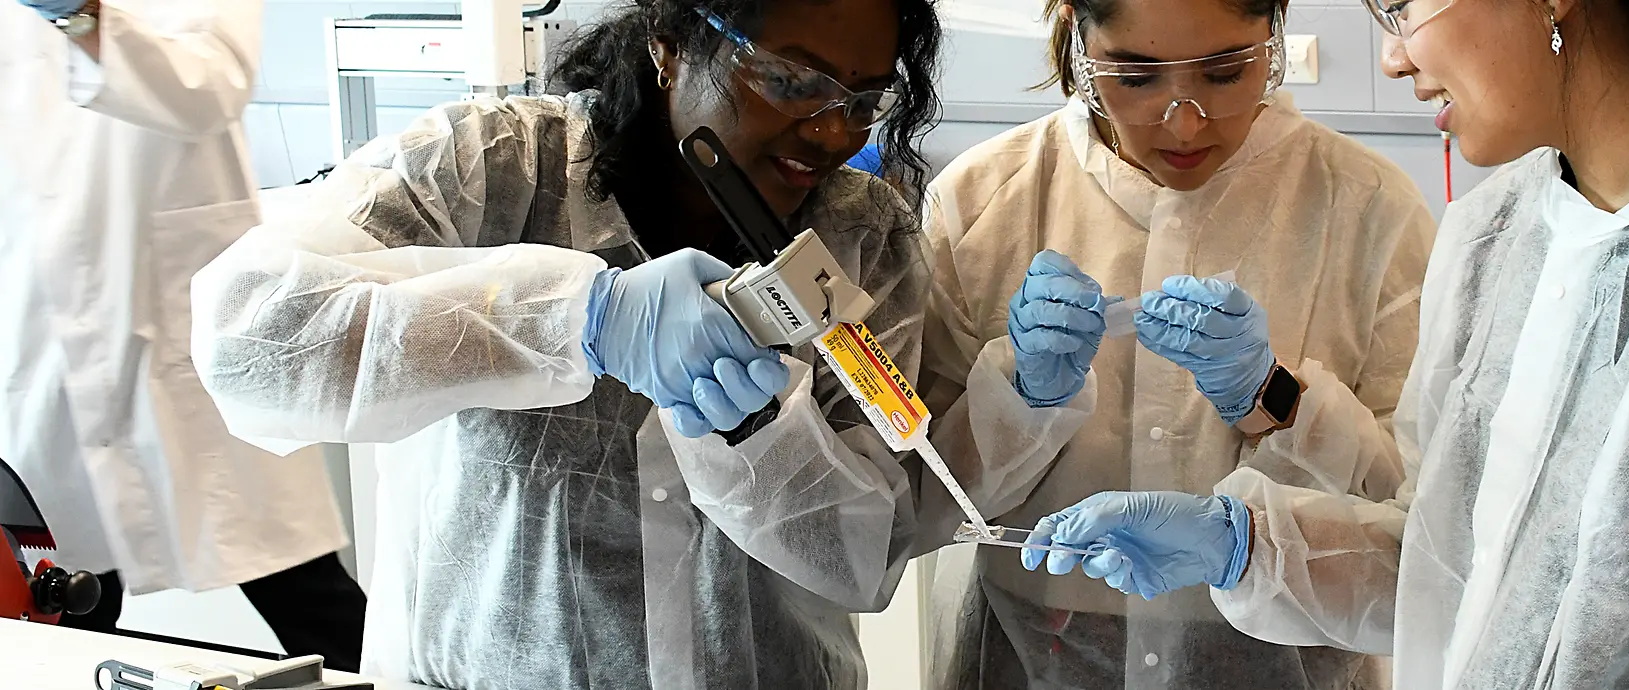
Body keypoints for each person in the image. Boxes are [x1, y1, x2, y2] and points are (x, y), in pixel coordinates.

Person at [1022, 0, 1629, 686]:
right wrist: (1243, 547)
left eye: (1403, 6)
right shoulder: (1501, 232)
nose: (1393, 57)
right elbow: (1455, 566)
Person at [187, 0, 944, 686]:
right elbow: (249, 341)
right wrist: (574, 319)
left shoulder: (862, 238)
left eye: (863, 101)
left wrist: (762, 440)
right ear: (671, 40)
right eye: (790, 81)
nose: (832, 132)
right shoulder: (489, 170)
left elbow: (864, 558)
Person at [914, 0, 1434, 686]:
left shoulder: (1370, 208)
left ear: (1274, 33)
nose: (1184, 122)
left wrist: (1277, 400)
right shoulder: (981, 202)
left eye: (1225, 73)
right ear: (1076, 35)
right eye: (1135, 78)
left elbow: (1425, 530)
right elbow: (916, 503)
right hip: (1030, 660)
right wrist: (1018, 402)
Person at [0, 0, 367, 670]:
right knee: (59, 598)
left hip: (176, 313)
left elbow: (211, 85)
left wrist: (81, 16)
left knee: (304, 593)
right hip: (38, 317)